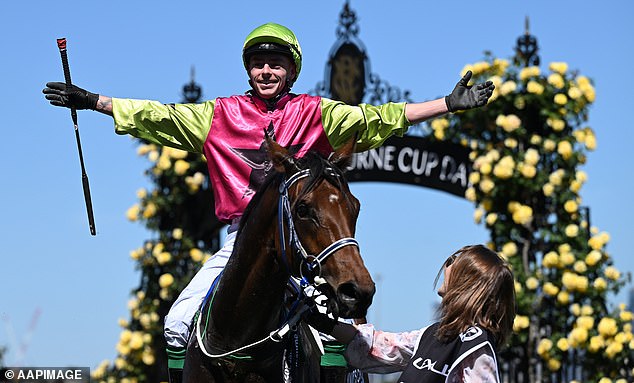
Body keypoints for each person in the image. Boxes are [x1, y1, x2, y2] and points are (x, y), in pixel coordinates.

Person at [43, 23, 495, 382]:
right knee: (177, 323)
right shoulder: (218, 115)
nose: (265, 72)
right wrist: (92, 101)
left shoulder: (317, 113)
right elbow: (158, 116)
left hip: (303, 244)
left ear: (291, 71)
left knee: (338, 331)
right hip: (244, 241)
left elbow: (380, 118)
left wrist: (446, 105)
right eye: (258, 63)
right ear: (248, 69)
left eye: (275, 64)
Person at [306, 244, 516, 383]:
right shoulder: (436, 334)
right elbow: (380, 345)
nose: (447, 263)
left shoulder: (475, 345)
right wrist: (320, 322)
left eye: (454, 259)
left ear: (467, 279)